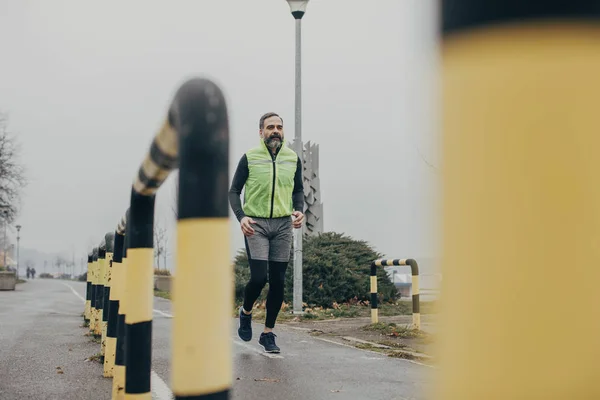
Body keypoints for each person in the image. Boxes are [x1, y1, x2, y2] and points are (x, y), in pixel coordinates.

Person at [229, 112, 304, 353]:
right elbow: (234, 191)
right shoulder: (249, 158)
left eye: (279, 127)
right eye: (270, 127)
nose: (275, 131)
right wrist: (242, 217)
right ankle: (246, 311)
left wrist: (299, 210)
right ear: (261, 132)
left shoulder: (293, 159)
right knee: (259, 277)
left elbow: (298, 191)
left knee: (279, 282)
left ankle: (268, 333)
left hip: (283, 225)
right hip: (256, 225)